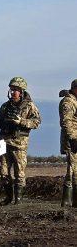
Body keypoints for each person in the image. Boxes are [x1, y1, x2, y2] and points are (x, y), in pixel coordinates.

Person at [0, 77, 41, 205]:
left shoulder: (29, 106)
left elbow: (36, 122)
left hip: (19, 144)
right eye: (12, 89)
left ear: (21, 91)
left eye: (16, 90)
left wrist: (21, 122)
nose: (13, 92)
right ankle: (9, 197)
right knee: (3, 171)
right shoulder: (5, 106)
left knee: (19, 172)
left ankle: (18, 199)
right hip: (4, 142)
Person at [59, 79, 77, 207]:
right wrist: (73, 139)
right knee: (72, 170)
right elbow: (66, 122)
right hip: (72, 140)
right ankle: (67, 201)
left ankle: (74, 201)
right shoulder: (68, 102)